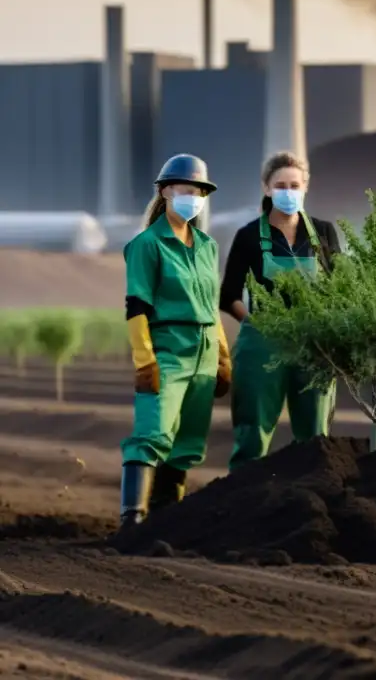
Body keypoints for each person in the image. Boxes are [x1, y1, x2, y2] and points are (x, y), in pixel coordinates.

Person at [120, 154, 232, 528]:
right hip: (167, 347)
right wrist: (144, 359)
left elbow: (211, 306)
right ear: (165, 191)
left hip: (204, 349)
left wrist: (223, 356)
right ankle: (133, 520)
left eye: (199, 191)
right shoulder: (147, 244)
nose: (194, 197)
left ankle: (165, 520)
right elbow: (136, 305)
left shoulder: (206, 246)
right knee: (152, 432)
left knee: (187, 443)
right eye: (187, 190)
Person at [220, 151, 342, 471]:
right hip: (264, 343)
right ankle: (244, 500)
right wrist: (257, 326)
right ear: (266, 188)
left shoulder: (324, 233)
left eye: (294, 185)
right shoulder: (248, 236)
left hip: (313, 343)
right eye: (281, 185)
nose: (288, 192)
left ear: (306, 187)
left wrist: (332, 333)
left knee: (315, 434)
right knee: (252, 433)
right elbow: (228, 295)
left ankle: (315, 496)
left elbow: (341, 289)